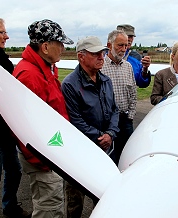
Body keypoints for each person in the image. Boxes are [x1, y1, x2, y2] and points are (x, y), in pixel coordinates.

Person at [12, 19, 73, 218]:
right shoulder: (29, 75)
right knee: (49, 208)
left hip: (50, 153)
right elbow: (23, 126)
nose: (63, 48)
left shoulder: (44, 68)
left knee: (53, 203)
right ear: (45, 47)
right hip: (43, 158)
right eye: (60, 43)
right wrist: (43, 161)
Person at [61, 36, 119, 217]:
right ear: (81, 57)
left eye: (102, 52)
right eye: (96, 54)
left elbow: (115, 110)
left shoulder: (106, 81)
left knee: (103, 193)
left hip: (105, 149)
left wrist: (110, 133)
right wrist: (100, 136)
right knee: (75, 198)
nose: (102, 57)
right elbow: (75, 120)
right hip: (80, 151)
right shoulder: (70, 84)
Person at [0, 16, 31, 217]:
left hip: (6, 130)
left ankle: (9, 206)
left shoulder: (3, 59)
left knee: (14, 171)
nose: (7, 36)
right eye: (2, 32)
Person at [101, 29, 137, 165]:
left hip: (125, 120)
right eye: (120, 45)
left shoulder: (128, 67)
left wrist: (131, 115)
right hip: (107, 123)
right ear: (109, 45)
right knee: (108, 158)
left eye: (126, 45)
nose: (123, 49)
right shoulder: (100, 67)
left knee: (127, 156)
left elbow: (133, 92)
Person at [116, 24, 151, 88]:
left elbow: (142, 83)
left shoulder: (136, 56)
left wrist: (145, 69)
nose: (129, 39)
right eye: (127, 36)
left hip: (128, 97)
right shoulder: (104, 55)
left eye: (131, 36)